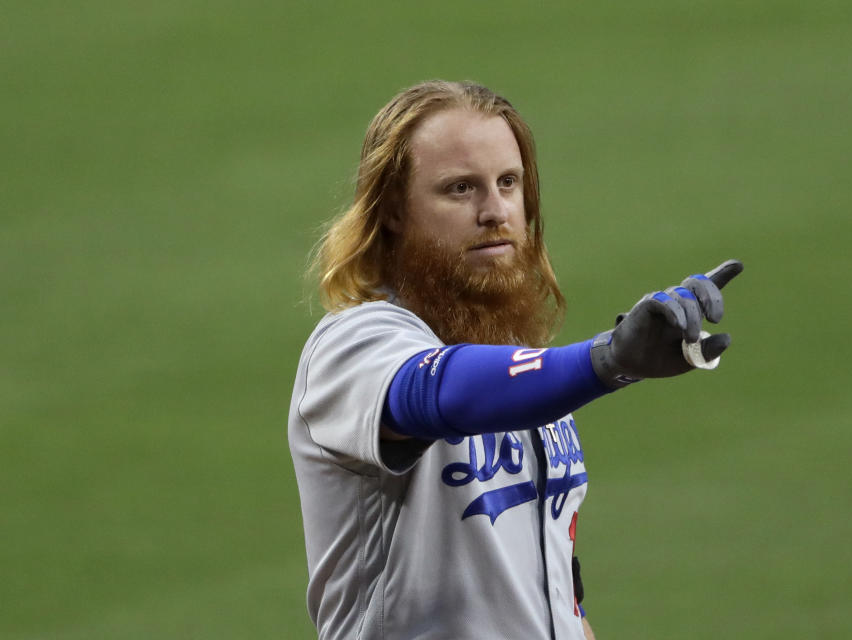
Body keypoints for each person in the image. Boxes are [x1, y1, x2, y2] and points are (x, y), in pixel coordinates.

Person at [288, 80, 743, 640]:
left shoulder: (526, 370)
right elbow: (437, 393)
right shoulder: (356, 345)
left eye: (508, 183)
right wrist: (606, 361)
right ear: (393, 214)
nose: (495, 211)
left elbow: (554, 599)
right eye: (460, 189)